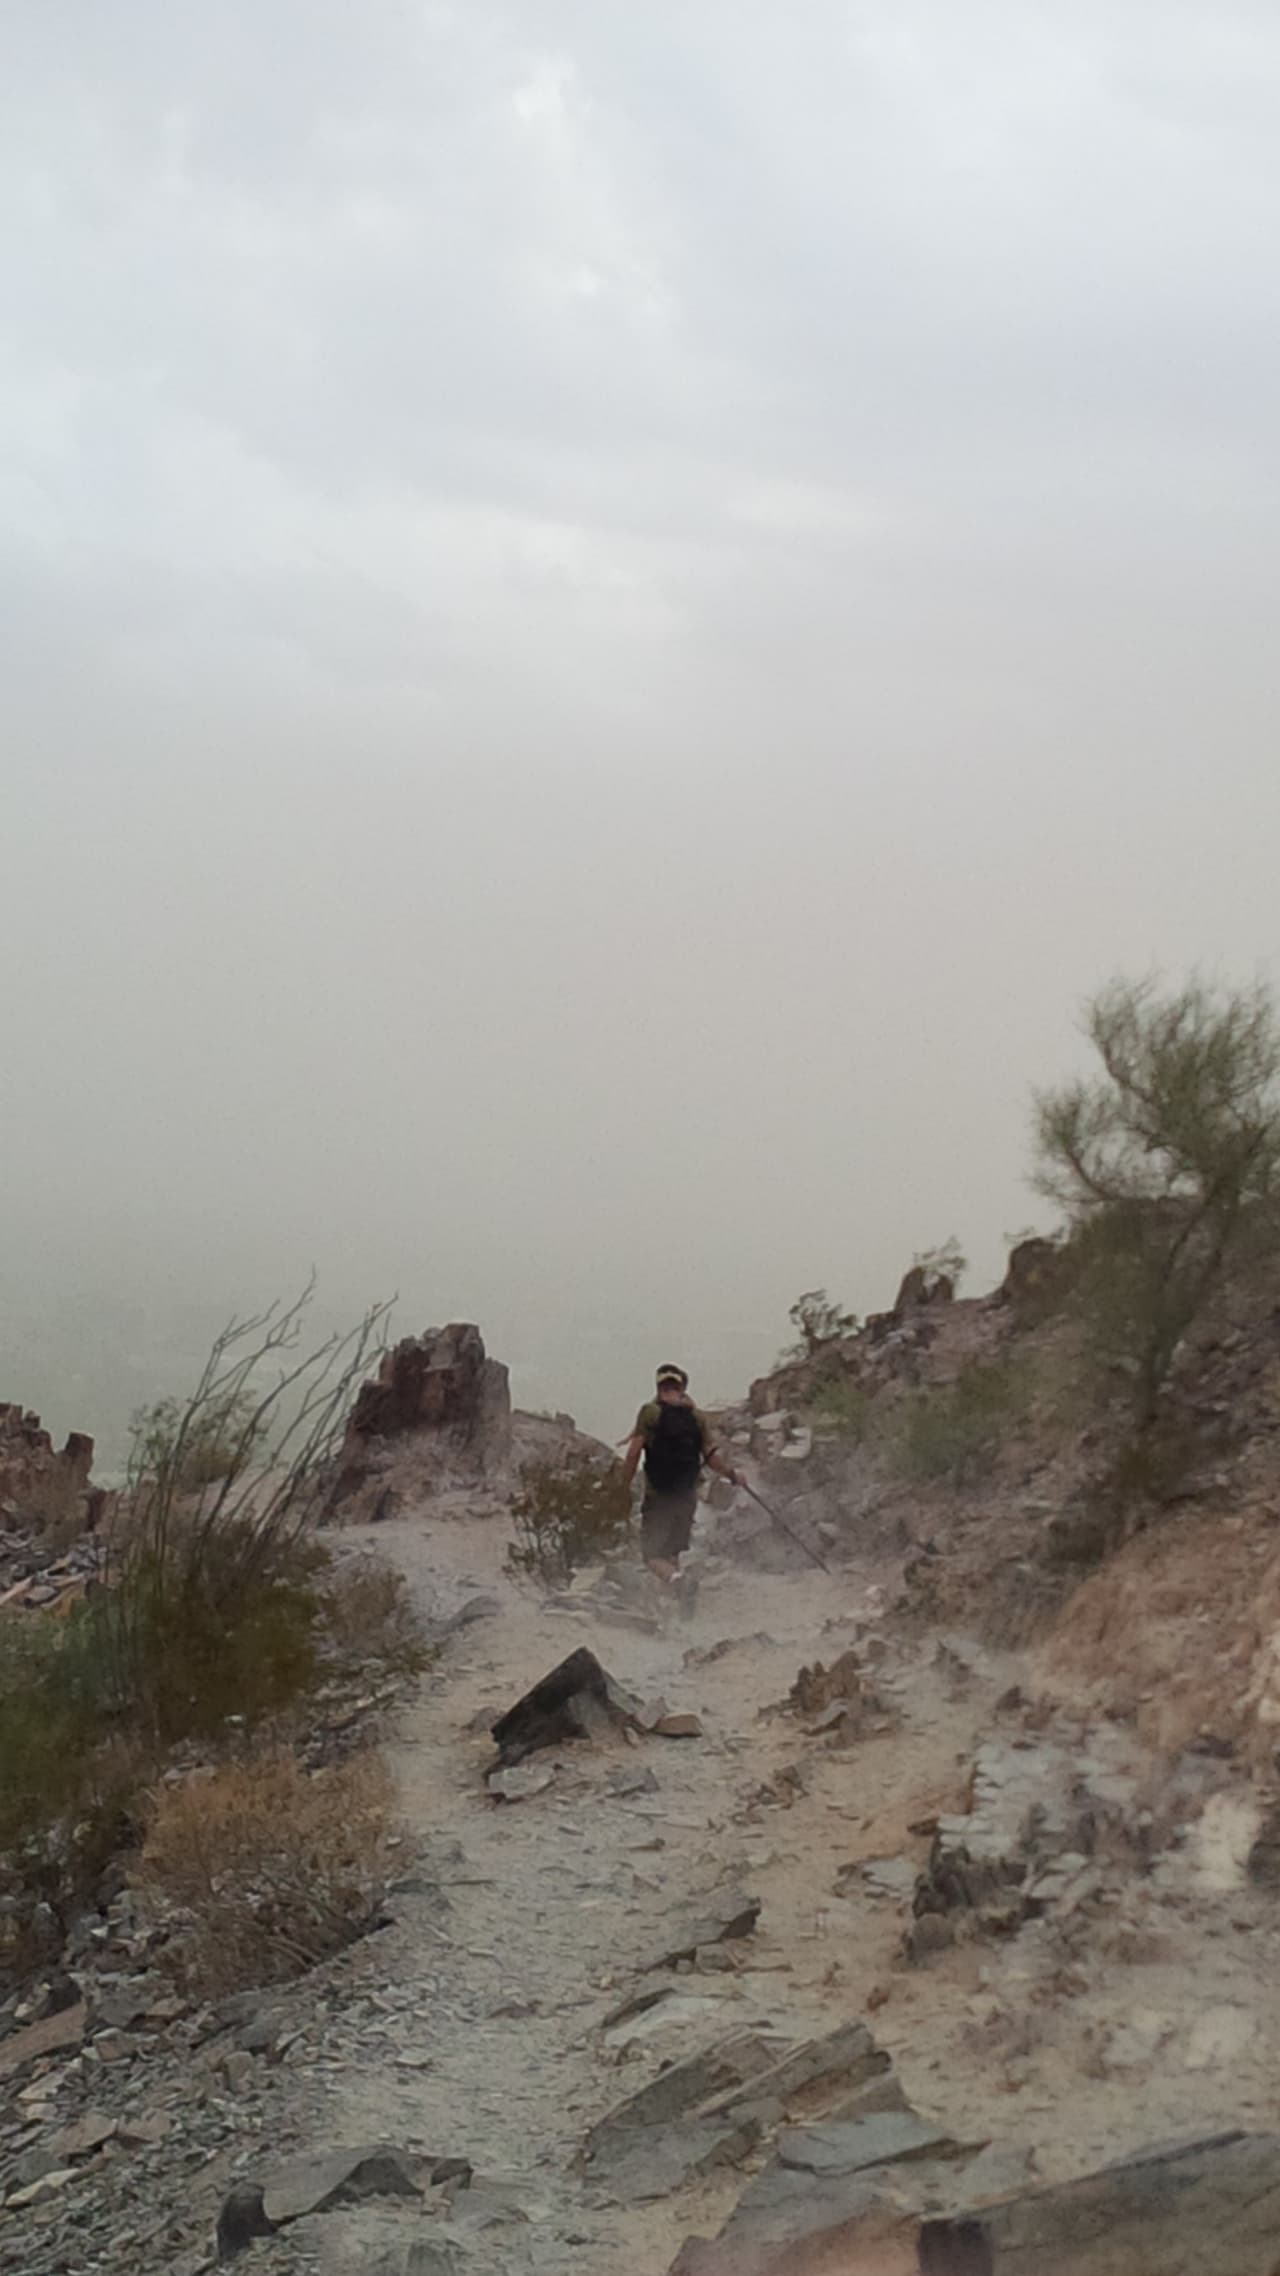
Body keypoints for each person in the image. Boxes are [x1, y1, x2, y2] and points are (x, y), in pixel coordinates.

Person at [622, 1364, 744, 1581]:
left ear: (658, 1387)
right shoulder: (696, 1416)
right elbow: (711, 1457)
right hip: (687, 1495)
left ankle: (679, 1582)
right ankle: (678, 1599)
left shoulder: (649, 1412)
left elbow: (633, 1454)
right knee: (672, 1550)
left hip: (658, 1495)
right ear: (682, 1387)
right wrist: (733, 1475)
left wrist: (622, 1485)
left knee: (652, 1555)